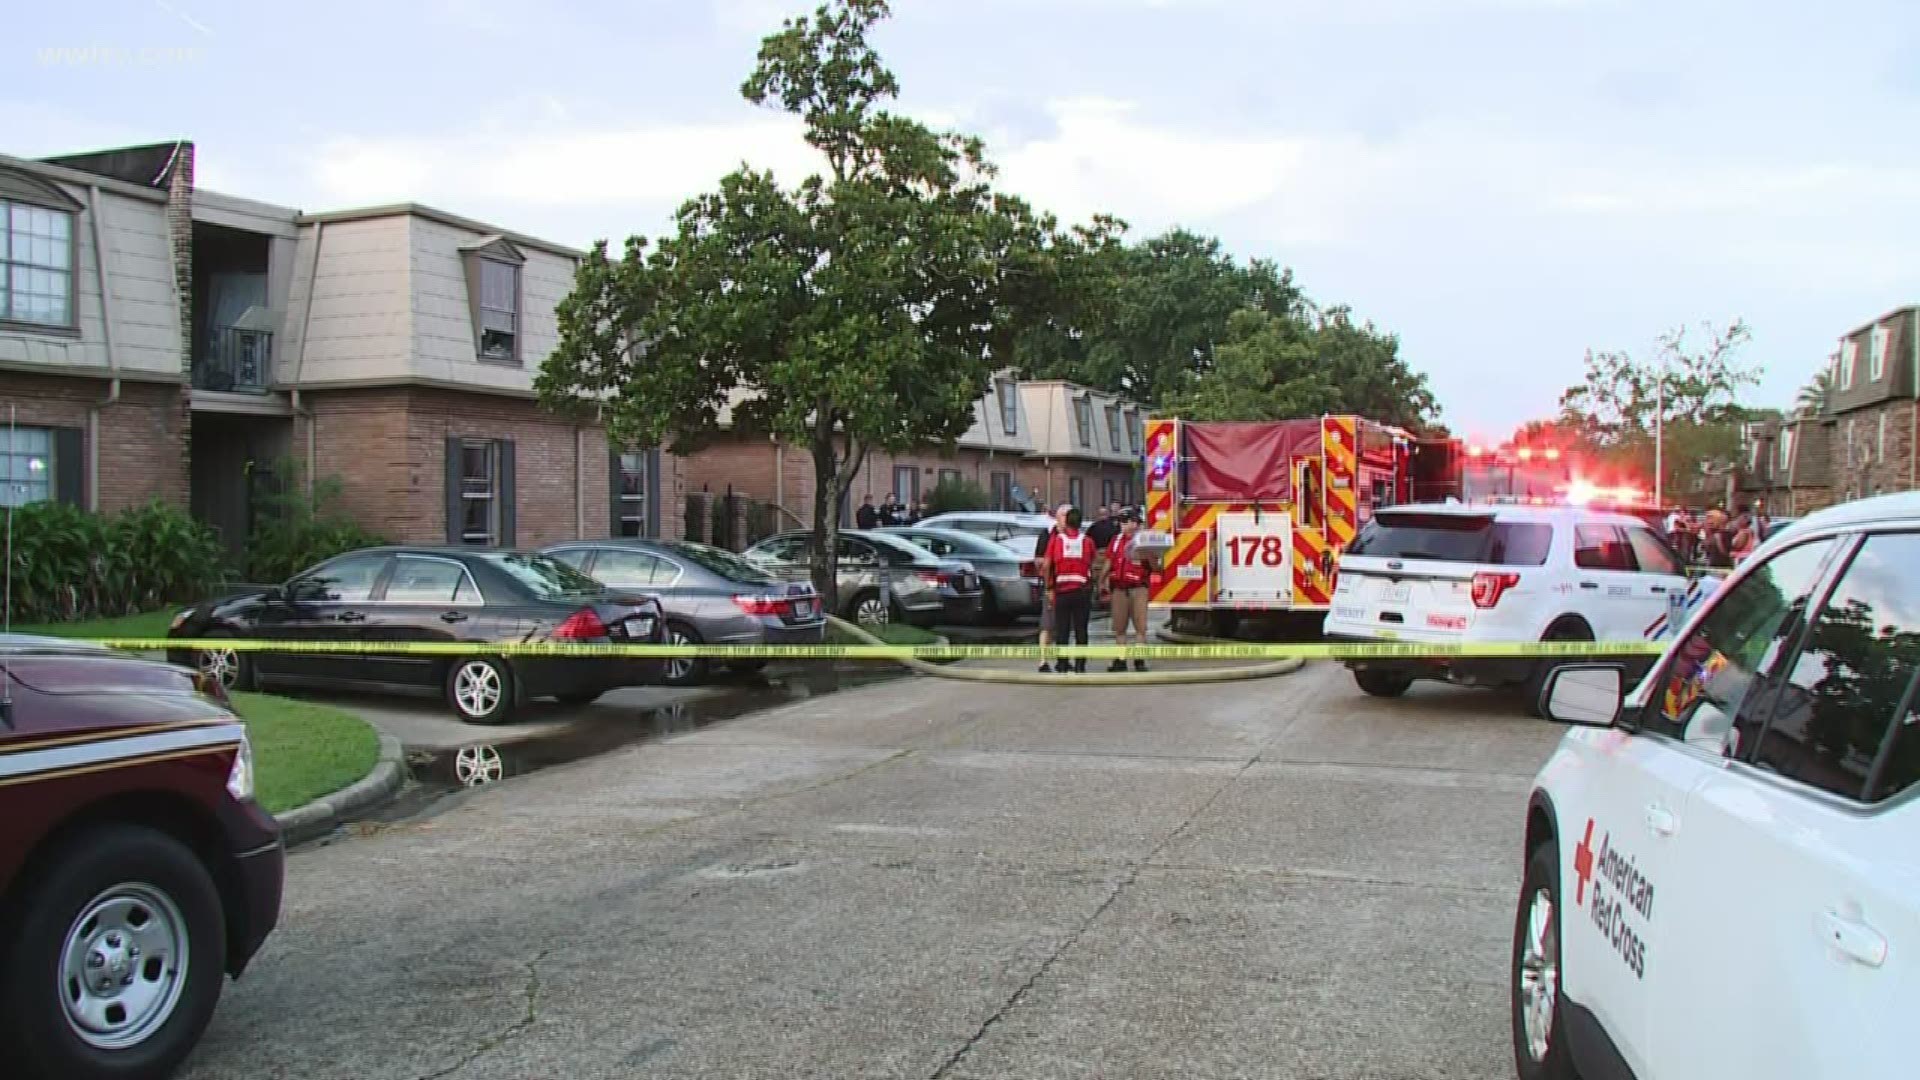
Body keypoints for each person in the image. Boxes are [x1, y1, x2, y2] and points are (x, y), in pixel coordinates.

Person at [1044, 507, 1095, 673]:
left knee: (1062, 630)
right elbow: (1092, 561)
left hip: (1062, 591)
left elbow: (1047, 565)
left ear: (1066, 522)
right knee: (1081, 630)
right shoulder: (1087, 541)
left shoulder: (1057, 540)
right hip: (1082, 591)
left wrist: (1049, 587)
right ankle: (1080, 665)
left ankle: (1062, 663)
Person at [1103, 509, 1151, 672]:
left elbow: (1157, 567)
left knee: (1140, 627)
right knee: (1119, 627)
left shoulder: (1143, 542)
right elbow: (1109, 562)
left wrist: (1149, 557)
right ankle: (1121, 660)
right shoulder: (1115, 541)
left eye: (1126, 521)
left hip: (1138, 589)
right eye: (1121, 522)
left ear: (1135, 523)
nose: (1123, 525)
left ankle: (1139, 660)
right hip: (1119, 589)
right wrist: (1101, 580)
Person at [1032, 503, 1070, 672]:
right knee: (1047, 624)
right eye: (1064, 515)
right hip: (1052, 586)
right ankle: (1043, 661)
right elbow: (1038, 560)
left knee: (1065, 625)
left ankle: (1063, 658)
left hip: (1069, 586)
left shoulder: (1074, 535)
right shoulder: (1047, 535)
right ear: (1057, 517)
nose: (1067, 519)